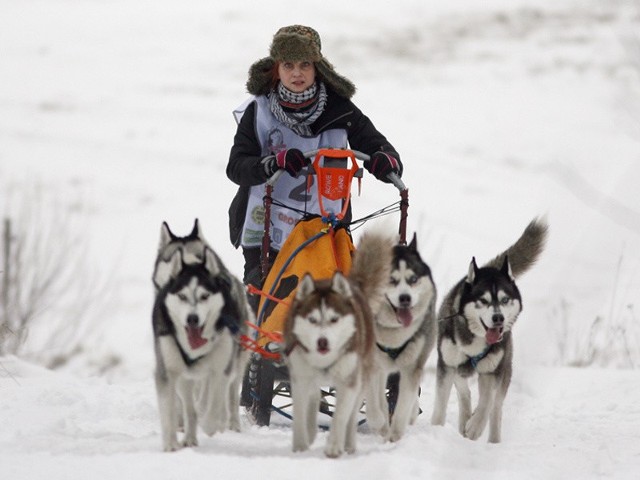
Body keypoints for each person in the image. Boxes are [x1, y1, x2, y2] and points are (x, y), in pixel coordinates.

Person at [227, 25, 403, 294]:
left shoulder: (341, 110)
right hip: (265, 231)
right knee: (268, 305)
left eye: (305, 64)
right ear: (277, 69)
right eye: (288, 64)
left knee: (333, 308)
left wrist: (385, 159)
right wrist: (272, 163)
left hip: (327, 229)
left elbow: (376, 144)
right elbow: (237, 167)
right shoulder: (258, 111)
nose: (297, 73)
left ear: (317, 68)